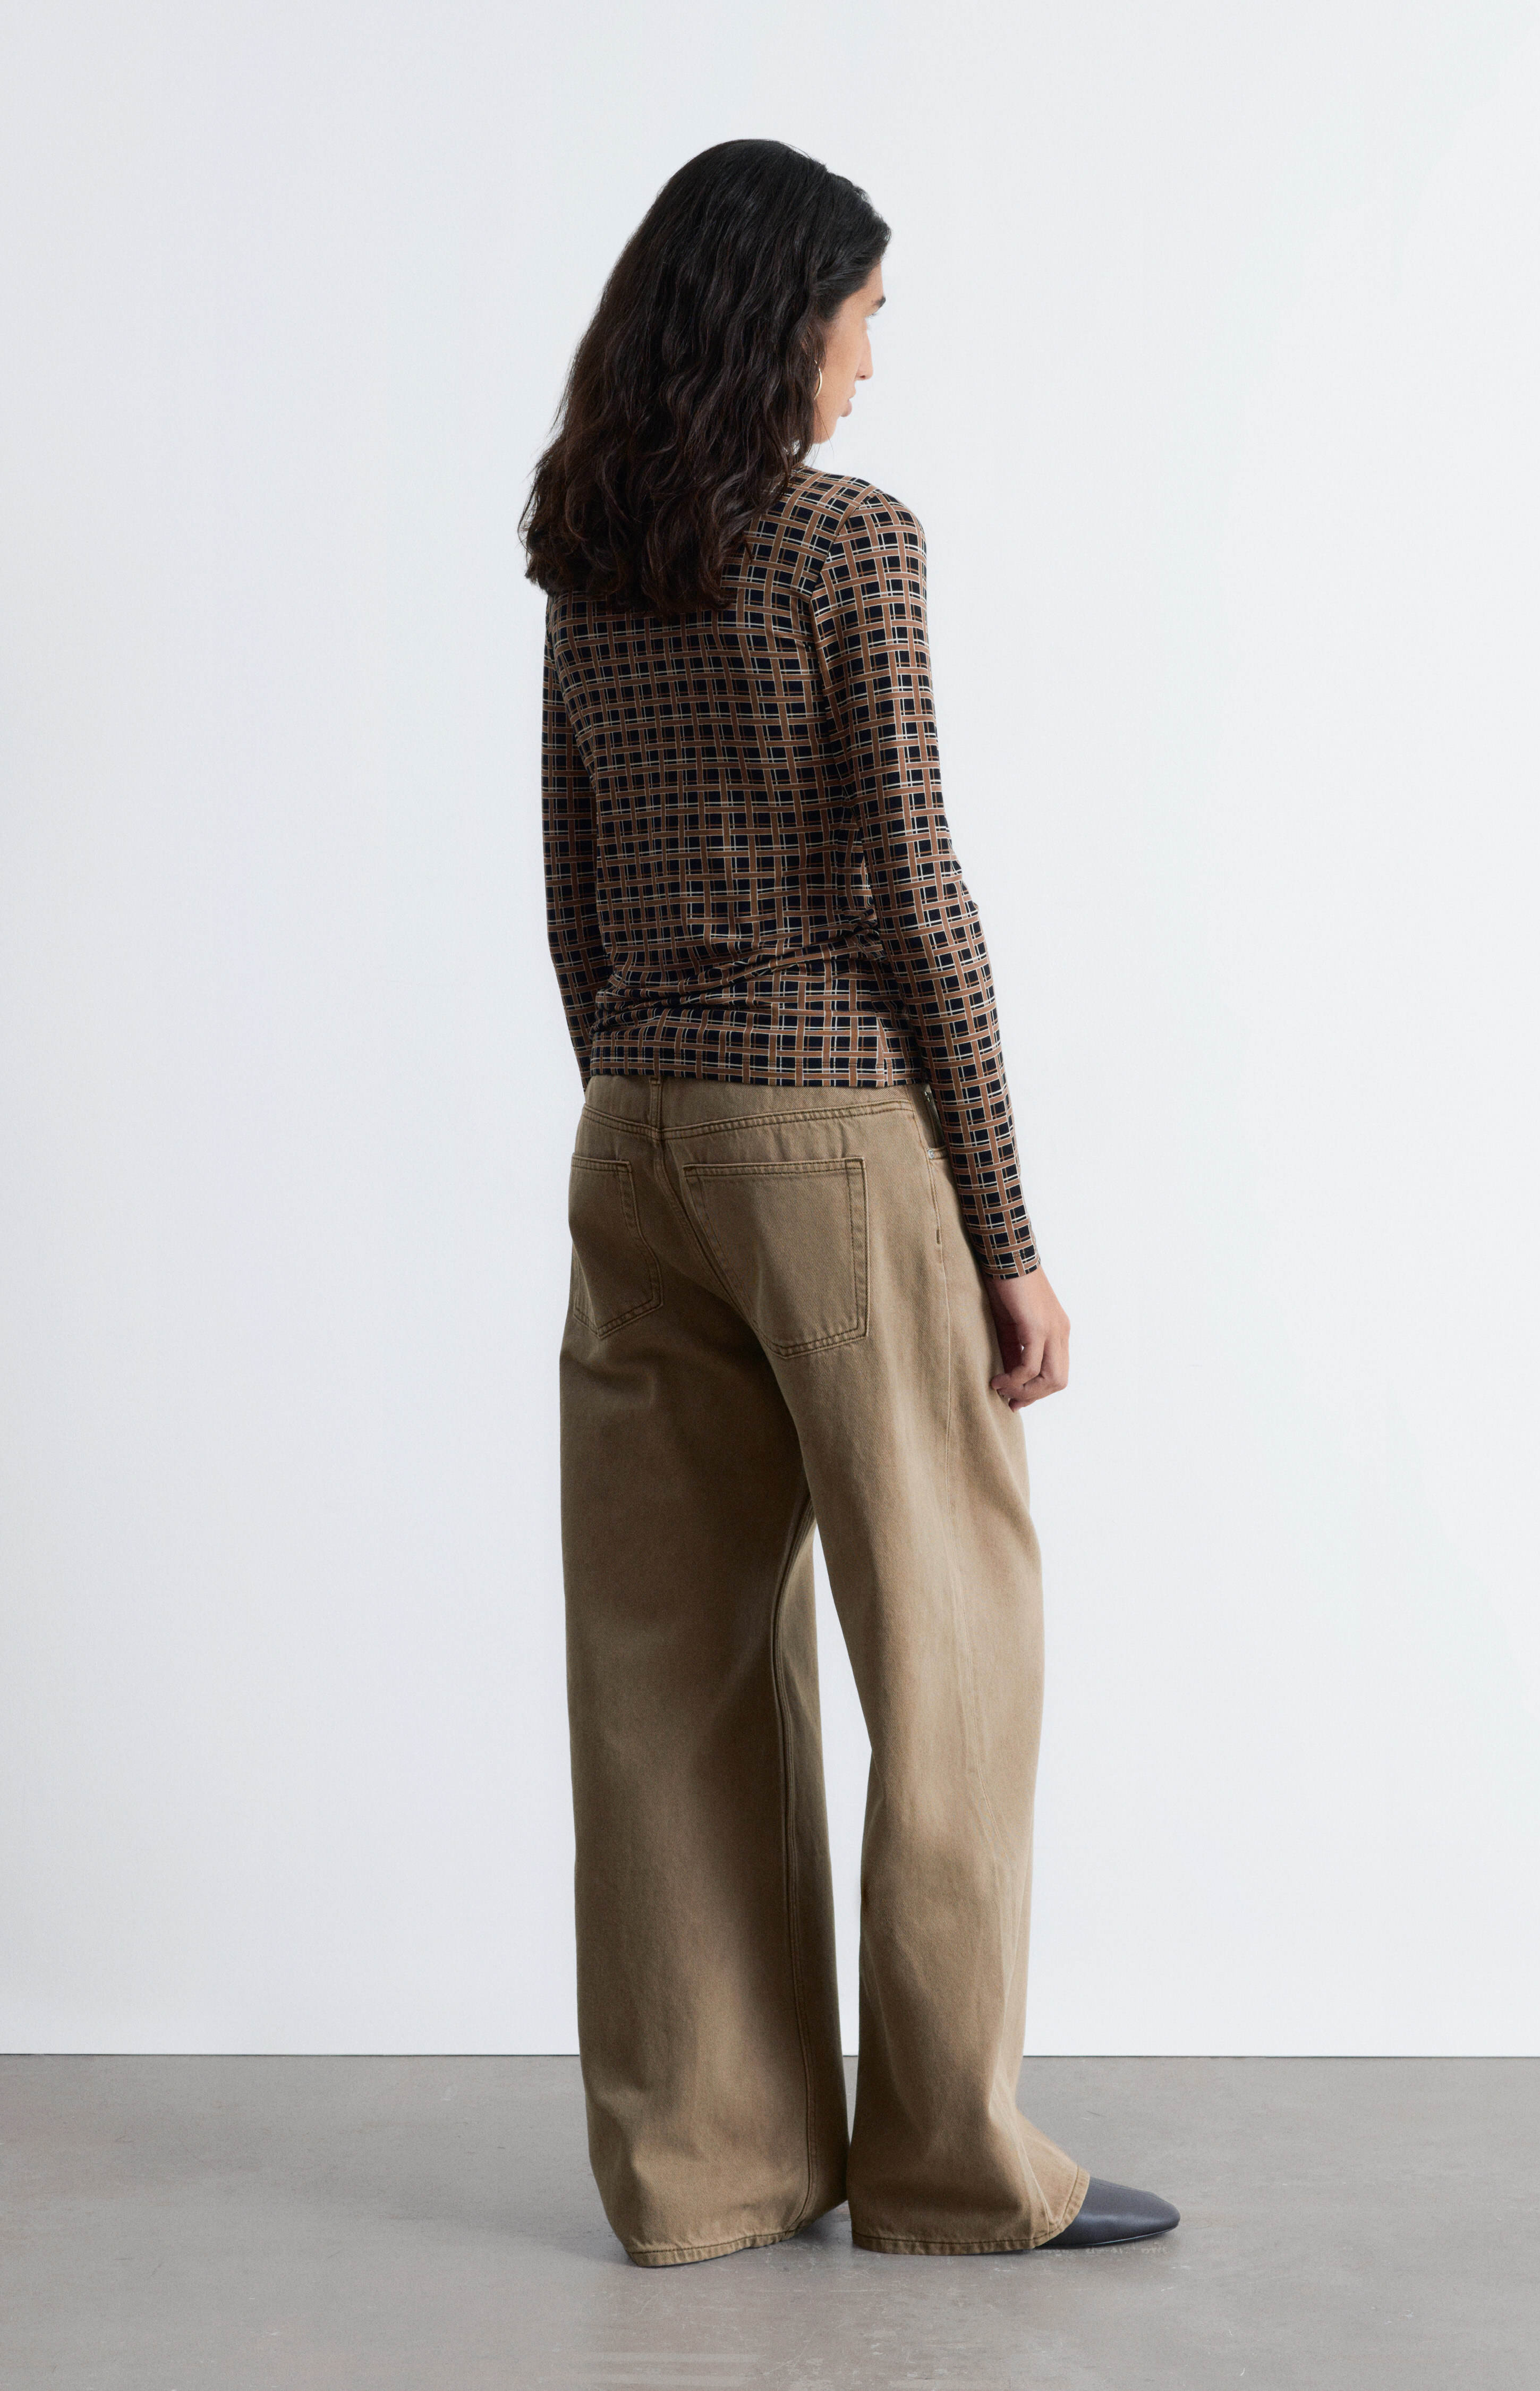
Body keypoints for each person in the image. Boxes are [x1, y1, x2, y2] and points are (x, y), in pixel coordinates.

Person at [521, 137, 1179, 2267]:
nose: (873, 361)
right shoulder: (847, 542)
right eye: (862, 315)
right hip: (829, 1141)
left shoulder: (589, 545)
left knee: (665, 1664)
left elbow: (572, 883)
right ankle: (950, 2165)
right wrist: (1008, 1232)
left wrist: (646, 1090)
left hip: (637, 1141)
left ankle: (704, 2168)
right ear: (779, 316)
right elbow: (917, 888)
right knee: (951, 1637)